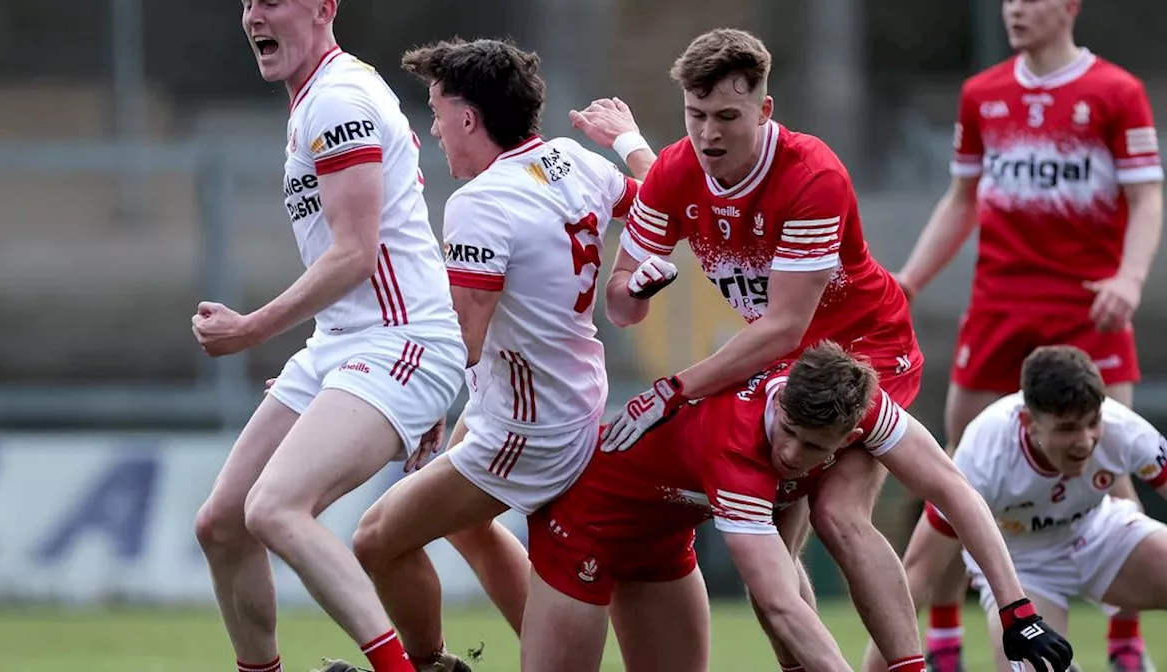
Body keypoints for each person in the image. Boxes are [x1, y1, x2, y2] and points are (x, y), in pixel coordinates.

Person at [571, 28, 928, 668]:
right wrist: (637, 286)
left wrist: (674, 389)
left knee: (839, 518)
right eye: (697, 116)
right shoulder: (684, 170)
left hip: (861, 349)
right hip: (780, 360)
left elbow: (785, 327)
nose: (709, 134)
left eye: (727, 116)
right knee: (775, 566)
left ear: (764, 111)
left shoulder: (811, 172)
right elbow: (623, 304)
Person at [190, 3, 467, 672]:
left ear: (323, 9)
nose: (256, 14)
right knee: (223, 522)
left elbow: (355, 255)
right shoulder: (315, 100)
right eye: (250, 1)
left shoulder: (338, 100)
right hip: (347, 342)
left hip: (399, 339)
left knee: (276, 508)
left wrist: (251, 328)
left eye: (275, 0)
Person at [346, 38, 639, 670]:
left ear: (469, 119)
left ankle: (430, 665)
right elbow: (655, 204)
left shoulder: (479, 203)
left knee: (375, 540)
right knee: (465, 524)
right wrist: (629, 273)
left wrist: (396, 402)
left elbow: (464, 340)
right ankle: (546, 649)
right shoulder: (572, 159)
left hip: (527, 428)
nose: (435, 128)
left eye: (438, 112)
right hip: (567, 398)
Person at [522, 341, 1073, 672]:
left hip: (665, 539)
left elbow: (954, 490)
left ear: (851, 436)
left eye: (814, 448)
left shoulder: (865, 408)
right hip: (585, 526)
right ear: (780, 399)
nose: (790, 454)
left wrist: (1016, 612)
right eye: (787, 431)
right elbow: (781, 602)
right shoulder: (734, 449)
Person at [890, 0, 1163, 667]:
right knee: (958, 475)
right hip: (999, 308)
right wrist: (911, 280)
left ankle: (1125, 639)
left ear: (1068, 6)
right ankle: (947, 629)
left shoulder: (1115, 92)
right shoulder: (983, 94)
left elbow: (1146, 196)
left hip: (1087, 309)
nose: (1015, 8)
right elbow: (961, 199)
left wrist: (1129, 280)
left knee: (1106, 461)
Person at [870, 346, 1167, 672]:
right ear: (1028, 422)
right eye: (1067, 429)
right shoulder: (985, 452)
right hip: (1023, 568)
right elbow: (918, 571)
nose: (1085, 441)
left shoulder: (1124, 428)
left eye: (1092, 423)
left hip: (1100, 537)